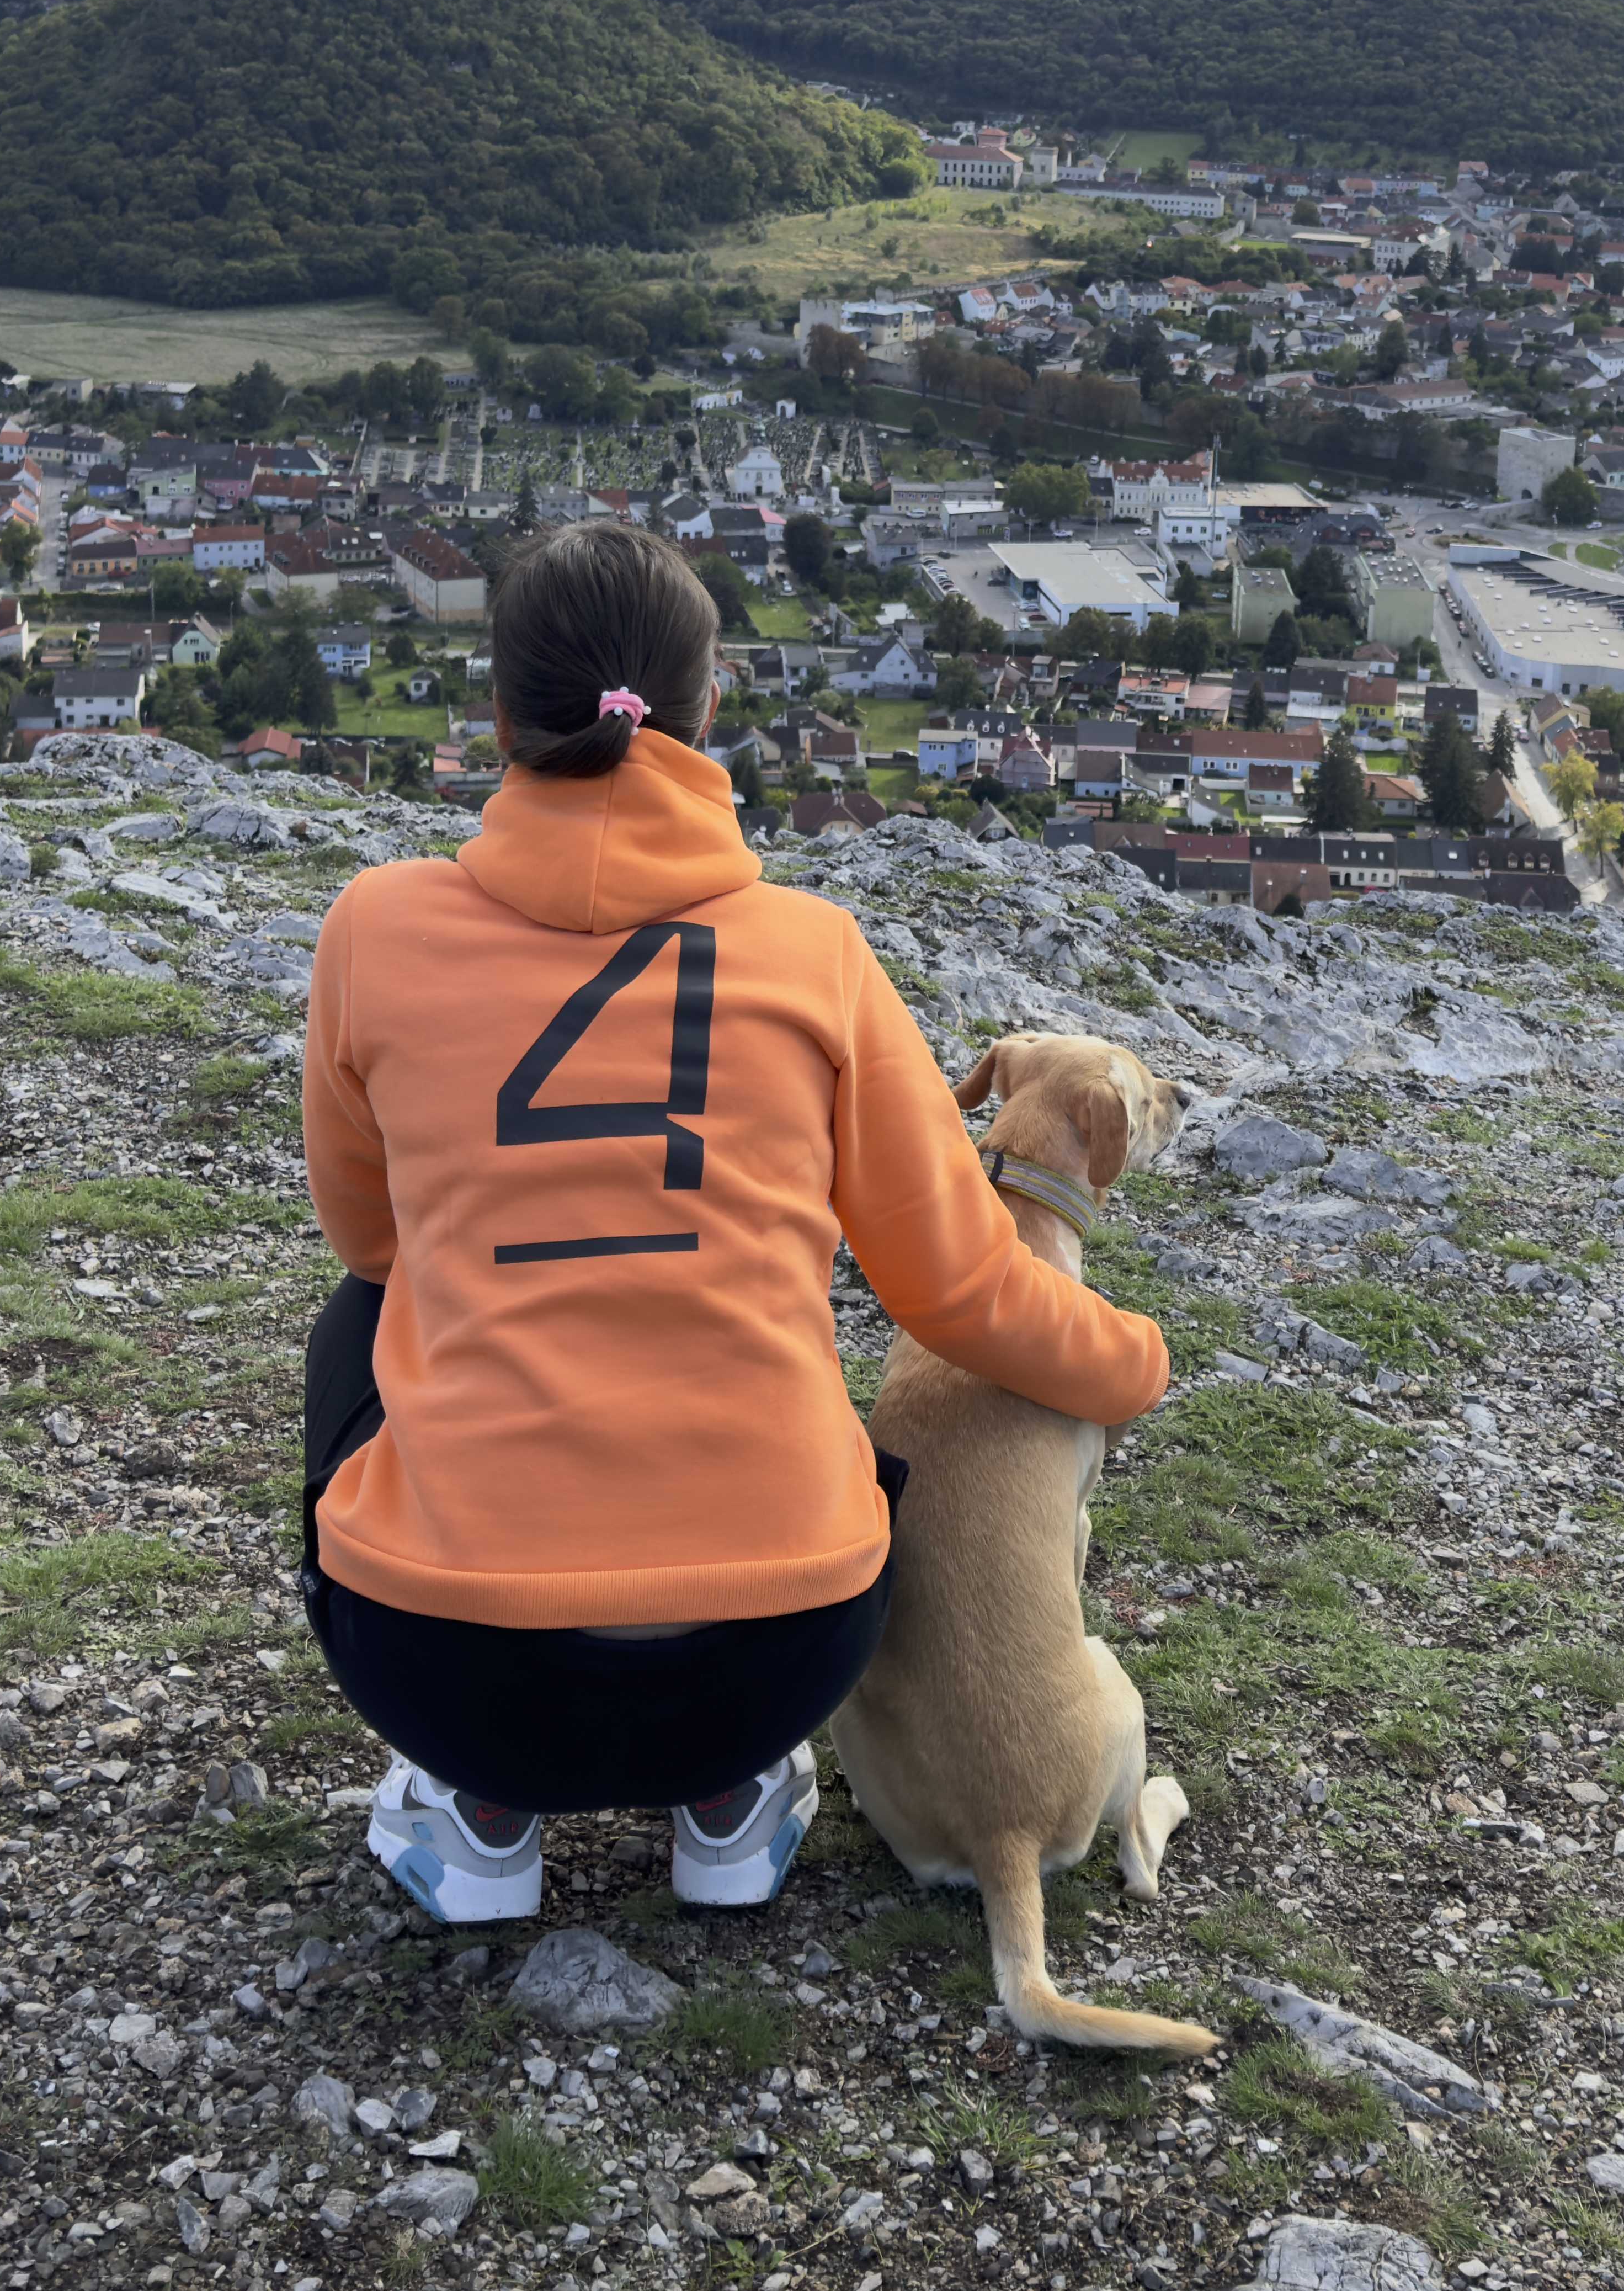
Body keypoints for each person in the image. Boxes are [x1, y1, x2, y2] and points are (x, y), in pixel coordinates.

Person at [298, 520, 1171, 1922]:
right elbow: (957, 1291)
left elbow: (372, 1241)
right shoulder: (816, 955)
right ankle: (730, 1803)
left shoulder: (371, 929)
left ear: (503, 717)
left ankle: (476, 1820)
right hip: (776, 1656)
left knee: (361, 1316)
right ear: (706, 716)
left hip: (455, 1670)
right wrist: (1133, 1359)